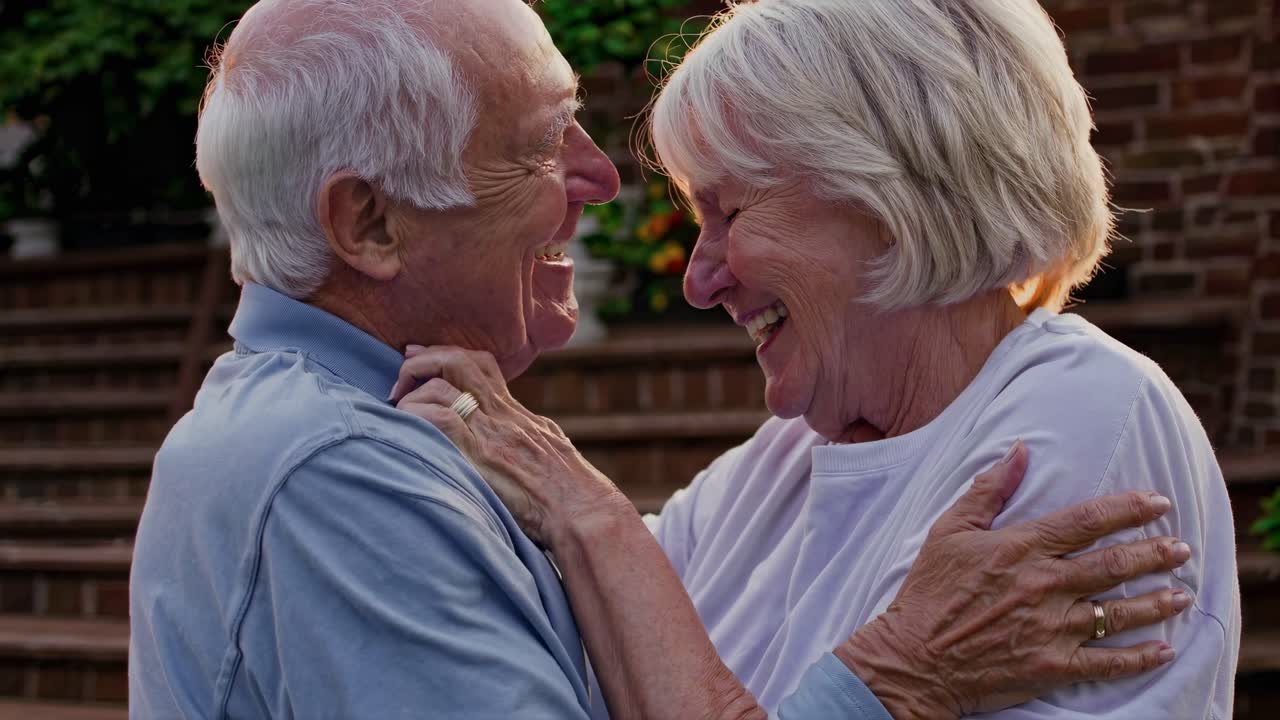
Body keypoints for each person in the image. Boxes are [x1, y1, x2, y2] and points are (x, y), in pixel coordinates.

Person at [132, 0, 1190, 718]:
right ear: (369, 222)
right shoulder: (347, 474)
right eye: (539, 145)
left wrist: (587, 513)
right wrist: (896, 680)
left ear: (896, 200)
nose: (694, 275)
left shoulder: (1067, 421)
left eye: (730, 209)